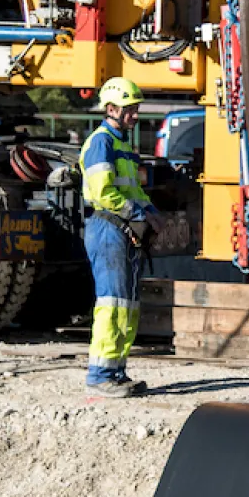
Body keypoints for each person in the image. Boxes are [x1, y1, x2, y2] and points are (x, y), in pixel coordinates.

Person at [79, 77, 165, 397]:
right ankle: (100, 375)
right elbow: (103, 192)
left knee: (126, 305)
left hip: (121, 229)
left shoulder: (121, 144)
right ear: (111, 109)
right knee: (113, 303)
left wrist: (152, 210)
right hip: (108, 228)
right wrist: (140, 214)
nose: (135, 115)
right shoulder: (102, 142)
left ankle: (116, 371)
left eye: (136, 109)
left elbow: (133, 190)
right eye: (130, 109)